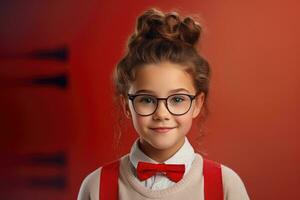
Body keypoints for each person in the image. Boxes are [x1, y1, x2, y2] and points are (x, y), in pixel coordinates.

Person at [77, 7, 249, 200]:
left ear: (197, 103)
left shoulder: (225, 185)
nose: (162, 114)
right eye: (147, 100)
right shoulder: (96, 187)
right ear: (127, 105)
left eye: (177, 100)